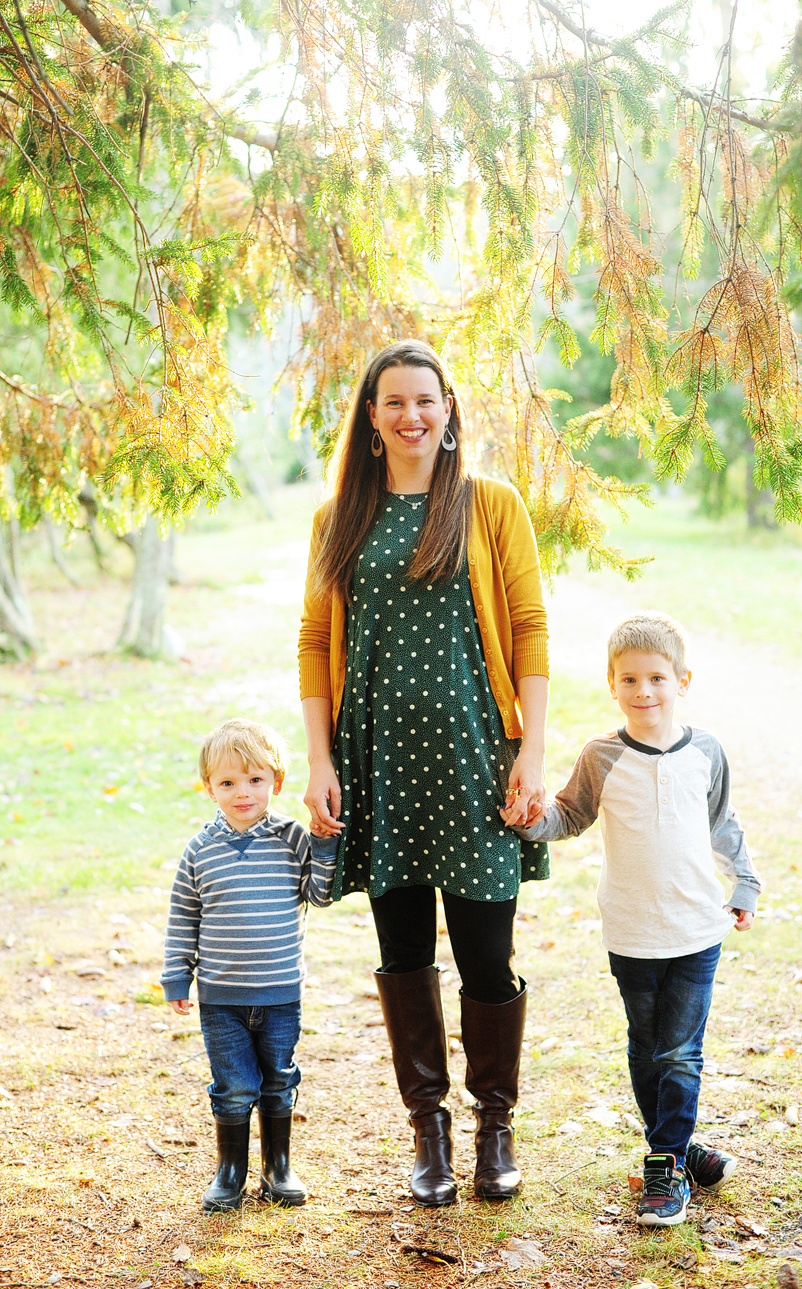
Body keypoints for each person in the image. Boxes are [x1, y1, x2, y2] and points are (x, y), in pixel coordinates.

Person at [298, 339, 551, 1206]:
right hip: (379, 767)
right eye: (394, 401)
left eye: (427, 401)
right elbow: (314, 641)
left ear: (449, 413)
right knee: (402, 952)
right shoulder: (339, 517)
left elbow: (530, 629)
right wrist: (321, 758)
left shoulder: (489, 504)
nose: (412, 415)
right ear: (371, 418)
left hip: (478, 761)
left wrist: (534, 751)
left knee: (488, 953)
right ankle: (429, 1134)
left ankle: (495, 1128)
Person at [516, 611, 760, 1226]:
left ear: (682, 681)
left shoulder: (706, 751)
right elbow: (568, 816)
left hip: (697, 928)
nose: (643, 691)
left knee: (680, 1053)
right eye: (629, 680)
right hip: (631, 930)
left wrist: (747, 883)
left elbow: (721, 822)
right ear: (611, 683)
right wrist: (531, 820)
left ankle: (664, 1168)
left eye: (655, 678)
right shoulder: (601, 757)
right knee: (647, 1050)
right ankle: (678, 1152)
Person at [161, 718, 338, 1211]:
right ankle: (231, 1171)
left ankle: (277, 1168)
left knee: (279, 1079)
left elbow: (319, 895)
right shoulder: (200, 851)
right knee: (235, 1086)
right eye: (228, 782)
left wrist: (324, 843)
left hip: (281, 992)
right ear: (209, 788)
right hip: (222, 998)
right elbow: (183, 917)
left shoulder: (291, 839)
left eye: (255, 780)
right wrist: (178, 973)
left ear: (276, 782)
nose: (243, 792)